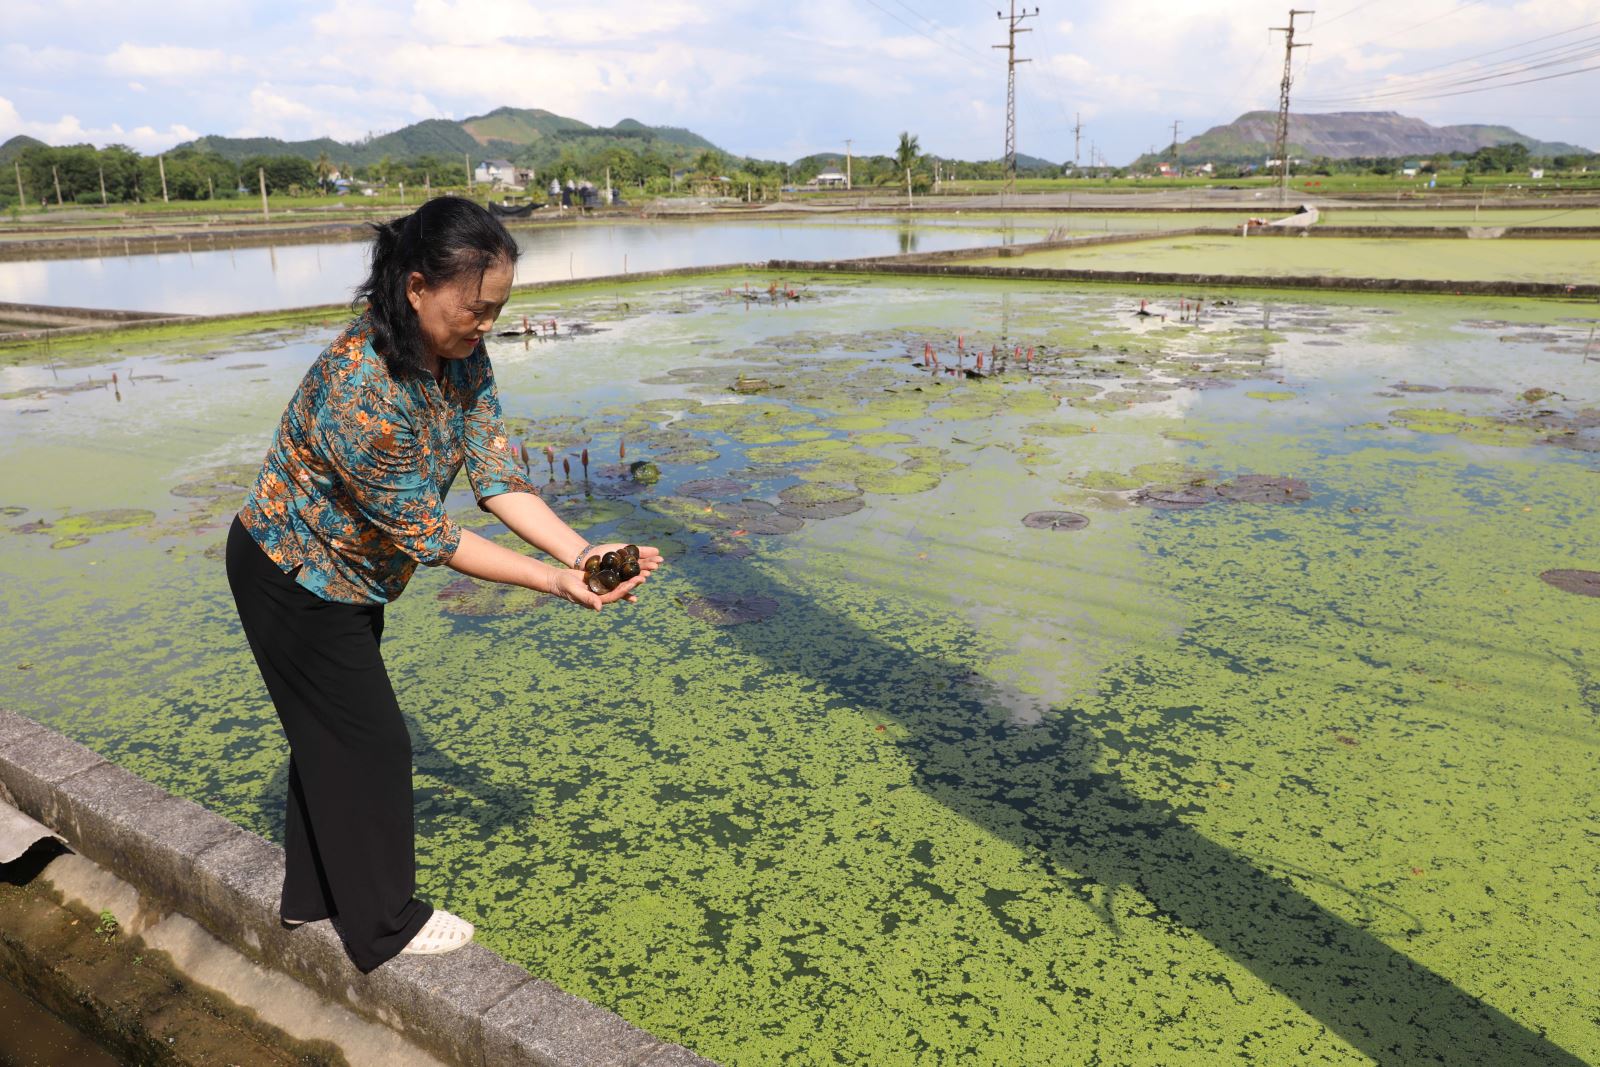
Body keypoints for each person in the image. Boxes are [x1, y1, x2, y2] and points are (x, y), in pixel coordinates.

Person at [225, 195, 660, 973]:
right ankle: (383, 923)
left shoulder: (460, 357)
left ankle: (311, 896)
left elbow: (496, 477)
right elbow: (435, 536)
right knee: (374, 742)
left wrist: (585, 550)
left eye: (497, 309)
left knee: (328, 738)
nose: (486, 324)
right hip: (291, 572)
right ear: (417, 286)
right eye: (476, 307)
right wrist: (554, 582)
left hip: (350, 575)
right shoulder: (362, 387)